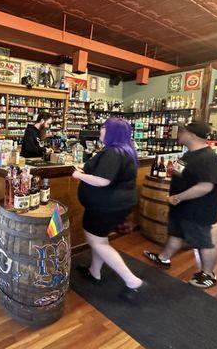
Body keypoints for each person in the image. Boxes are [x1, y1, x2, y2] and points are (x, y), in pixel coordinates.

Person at [144, 121, 217, 289]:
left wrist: (178, 197)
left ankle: (208, 274)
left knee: (203, 242)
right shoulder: (189, 154)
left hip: (197, 210)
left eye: (182, 131)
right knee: (176, 235)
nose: (178, 133)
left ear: (192, 135)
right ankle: (164, 257)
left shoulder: (208, 158)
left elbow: (205, 186)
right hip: (182, 209)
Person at [72, 117, 144, 298]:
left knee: (97, 242)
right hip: (116, 205)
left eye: (104, 128)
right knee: (100, 239)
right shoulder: (125, 150)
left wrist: (78, 175)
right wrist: (85, 168)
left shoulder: (113, 152)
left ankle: (131, 279)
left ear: (112, 132)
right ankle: (94, 271)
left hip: (105, 206)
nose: (100, 131)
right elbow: (106, 171)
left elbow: (103, 180)